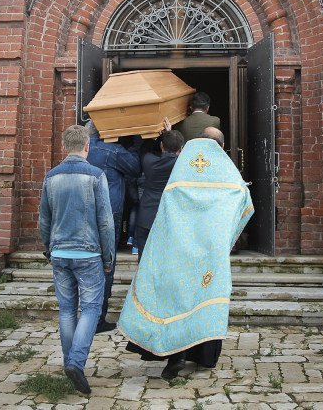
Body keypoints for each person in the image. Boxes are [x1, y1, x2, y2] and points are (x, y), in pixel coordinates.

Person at [118, 128, 254, 380]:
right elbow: (244, 200)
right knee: (202, 297)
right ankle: (202, 356)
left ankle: (175, 355)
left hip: (177, 249)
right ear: (222, 147)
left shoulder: (182, 170)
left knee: (177, 298)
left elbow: (167, 209)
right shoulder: (227, 175)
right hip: (209, 252)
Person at [39, 125, 115, 394]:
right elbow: (105, 222)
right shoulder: (96, 175)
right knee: (92, 309)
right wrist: (109, 258)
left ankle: (70, 364)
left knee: (67, 309)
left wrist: (49, 248)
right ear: (87, 146)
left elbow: (44, 219)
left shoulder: (51, 177)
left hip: (60, 252)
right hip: (88, 253)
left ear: (64, 146)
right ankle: (75, 363)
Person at [86, 120, 141, 333]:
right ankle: (98, 317)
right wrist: (136, 140)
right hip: (109, 212)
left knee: (85, 260)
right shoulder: (112, 150)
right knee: (106, 263)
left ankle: (83, 316)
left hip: (82, 211)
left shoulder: (80, 150)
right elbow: (135, 168)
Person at [135, 128, 184, 260]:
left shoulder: (148, 160)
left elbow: (145, 147)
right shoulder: (181, 164)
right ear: (181, 147)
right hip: (170, 217)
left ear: (162, 145)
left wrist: (160, 135)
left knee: (144, 260)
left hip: (146, 215)